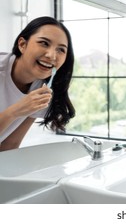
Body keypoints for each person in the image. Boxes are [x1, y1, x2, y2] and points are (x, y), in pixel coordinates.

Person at [0, 16, 75, 151]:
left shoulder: (43, 90)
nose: (52, 56)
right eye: (44, 43)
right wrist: (15, 111)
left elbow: (10, 144)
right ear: (22, 44)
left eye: (61, 50)